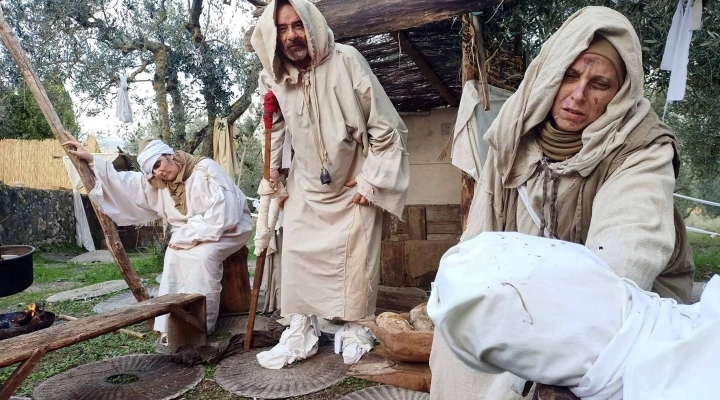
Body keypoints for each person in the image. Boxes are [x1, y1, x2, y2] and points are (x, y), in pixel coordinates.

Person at [429, 6, 694, 400]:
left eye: (600, 83)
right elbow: (479, 239)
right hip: (525, 295)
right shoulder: (515, 132)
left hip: (620, 310)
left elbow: (623, 261)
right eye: (570, 74)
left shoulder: (641, 149)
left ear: (621, 93)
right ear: (551, 73)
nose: (578, 94)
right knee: (457, 355)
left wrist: (536, 354)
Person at [249, 0, 409, 364]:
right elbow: (274, 130)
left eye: (298, 25)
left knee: (355, 262)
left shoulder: (347, 60)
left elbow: (386, 128)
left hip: (354, 181)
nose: (292, 36)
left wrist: (373, 181)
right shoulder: (275, 76)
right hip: (307, 183)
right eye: (283, 29)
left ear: (313, 25)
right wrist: (273, 176)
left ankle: (354, 327)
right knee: (297, 255)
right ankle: (302, 330)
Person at [63, 137, 253, 340]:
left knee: (203, 258)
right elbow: (125, 182)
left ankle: (202, 323)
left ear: (169, 154)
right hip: (190, 231)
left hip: (227, 227)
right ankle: (173, 322)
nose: (158, 172)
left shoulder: (205, 170)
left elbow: (226, 213)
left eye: (158, 164)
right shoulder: (158, 183)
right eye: (152, 170)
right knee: (172, 256)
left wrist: (188, 236)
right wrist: (92, 159)